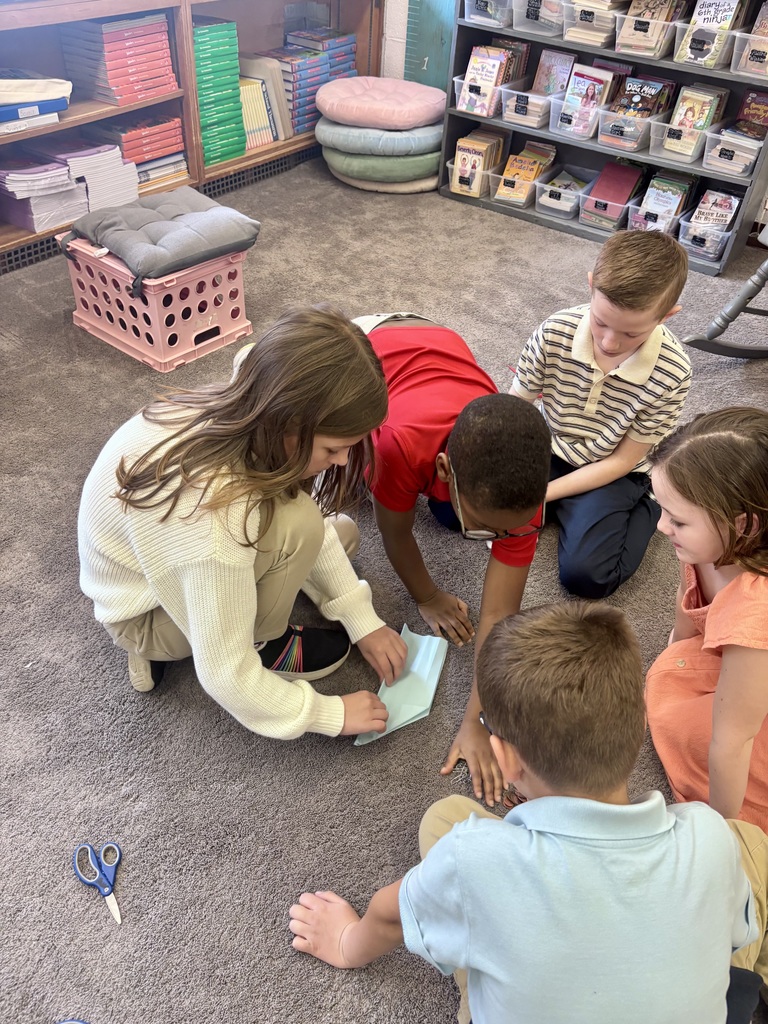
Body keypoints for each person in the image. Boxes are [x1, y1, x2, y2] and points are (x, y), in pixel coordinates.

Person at [288, 601, 768, 1024]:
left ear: (505, 758)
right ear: (640, 725)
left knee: (444, 816)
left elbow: (389, 916)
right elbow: (728, 934)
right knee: (746, 840)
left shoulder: (471, 857)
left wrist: (347, 941)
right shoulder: (709, 837)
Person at [78, 305, 407, 740]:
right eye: (333, 449)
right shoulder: (212, 518)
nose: (344, 461)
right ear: (289, 422)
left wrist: (358, 615)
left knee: (331, 531)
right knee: (305, 528)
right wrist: (328, 714)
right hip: (143, 614)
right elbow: (225, 672)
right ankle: (259, 641)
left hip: (154, 563)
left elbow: (304, 520)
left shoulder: (255, 392)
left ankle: (230, 604)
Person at [354, 313, 551, 807]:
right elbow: (393, 532)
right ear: (443, 468)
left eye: (513, 529)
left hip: (443, 345)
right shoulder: (397, 443)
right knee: (356, 478)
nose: (504, 540)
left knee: (450, 519)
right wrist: (429, 595)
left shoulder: (528, 491)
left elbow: (499, 614)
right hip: (372, 347)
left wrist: (477, 721)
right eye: (492, 529)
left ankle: (457, 510)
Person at [512, 229, 691, 599]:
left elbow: (624, 460)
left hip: (616, 469)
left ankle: (643, 503)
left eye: (631, 333)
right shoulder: (554, 331)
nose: (610, 343)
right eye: (600, 322)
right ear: (591, 286)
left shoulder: (673, 370)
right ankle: (571, 510)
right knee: (452, 510)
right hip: (551, 446)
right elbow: (515, 406)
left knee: (588, 577)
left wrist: (541, 495)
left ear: (667, 316)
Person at [645, 407, 768, 830]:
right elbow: (685, 608)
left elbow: (734, 741)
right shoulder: (703, 550)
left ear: (743, 527)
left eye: (677, 519)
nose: (662, 527)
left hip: (755, 676)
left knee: (701, 737)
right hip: (741, 667)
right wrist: (675, 659)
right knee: (665, 680)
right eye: (660, 510)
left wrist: (721, 831)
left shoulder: (755, 610)